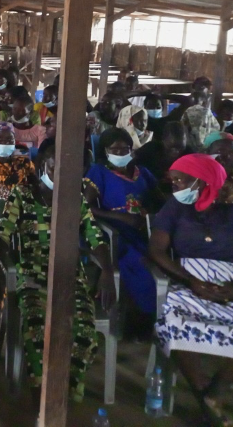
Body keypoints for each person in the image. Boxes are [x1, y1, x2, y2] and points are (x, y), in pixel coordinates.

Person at [0, 142, 116, 401]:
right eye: (56, 167)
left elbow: (95, 237)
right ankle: (42, 397)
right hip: (32, 276)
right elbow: (2, 234)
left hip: (69, 277)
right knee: (36, 331)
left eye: (70, 170)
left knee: (84, 333)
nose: (62, 175)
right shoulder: (22, 195)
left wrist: (107, 273)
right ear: (43, 165)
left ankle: (64, 391)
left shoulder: (75, 199)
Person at [150, 154, 233, 427]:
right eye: (173, 181)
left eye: (179, 180)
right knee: (172, 320)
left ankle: (216, 391)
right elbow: (157, 250)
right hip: (189, 278)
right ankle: (204, 395)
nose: (175, 186)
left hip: (231, 280)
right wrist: (191, 281)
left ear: (200, 179)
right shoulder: (175, 207)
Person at [83, 128, 160, 338]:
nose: (120, 153)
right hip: (115, 231)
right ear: (105, 151)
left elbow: (158, 195)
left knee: (163, 261)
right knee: (140, 264)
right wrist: (122, 217)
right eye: (114, 150)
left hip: (143, 229)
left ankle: (152, 318)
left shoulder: (142, 172)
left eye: (124, 149)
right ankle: (142, 319)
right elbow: (86, 206)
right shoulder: (98, 172)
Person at [135, 121, 192, 203]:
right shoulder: (150, 149)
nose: (175, 151)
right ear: (163, 140)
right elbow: (134, 167)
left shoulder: (190, 154)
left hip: (179, 196)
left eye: (180, 147)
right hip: (150, 193)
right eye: (171, 147)